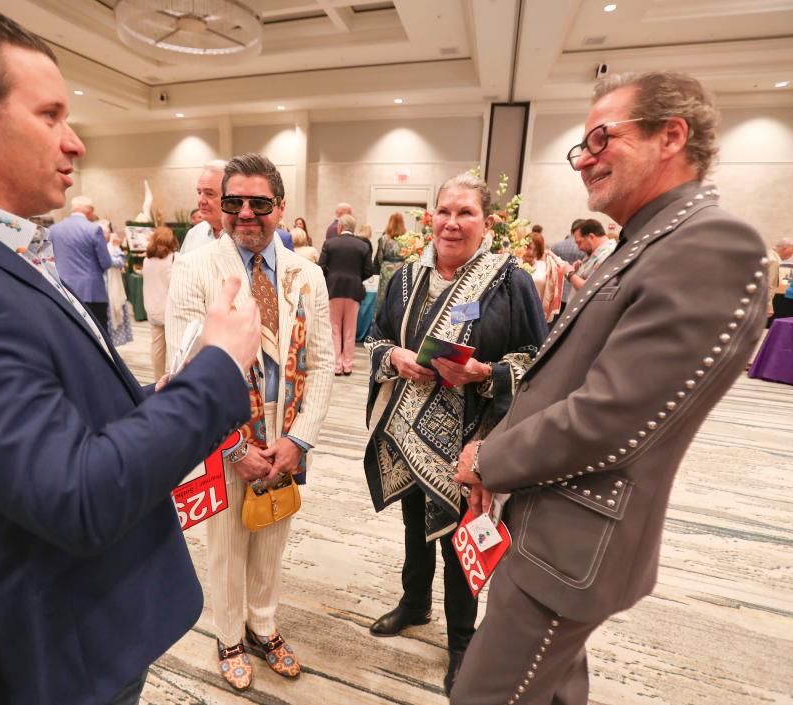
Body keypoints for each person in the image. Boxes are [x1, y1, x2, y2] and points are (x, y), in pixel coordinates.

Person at [0, 5, 261, 704]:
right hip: (62, 641)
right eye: (51, 115)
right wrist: (218, 365)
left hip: (100, 610)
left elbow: (77, 411)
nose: (73, 143)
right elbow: (77, 493)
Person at [451, 71, 768, 705]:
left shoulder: (711, 242)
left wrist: (489, 457)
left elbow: (612, 417)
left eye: (601, 137)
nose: (584, 159)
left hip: (573, 542)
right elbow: (560, 378)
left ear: (670, 136)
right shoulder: (644, 243)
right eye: (581, 145)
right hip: (548, 523)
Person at [364, 172, 547, 696]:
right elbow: (375, 339)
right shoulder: (402, 278)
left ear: (486, 223)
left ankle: (464, 642)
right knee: (412, 527)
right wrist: (394, 357)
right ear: (430, 217)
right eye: (444, 211)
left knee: (459, 540)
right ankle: (415, 603)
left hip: (473, 437)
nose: (451, 223)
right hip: (403, 431)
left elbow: (536, 359)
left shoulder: (510, 281)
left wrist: (486, 374)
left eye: (465, 213)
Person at [166, 153, 333, 693]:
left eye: (258, 203)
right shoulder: (198, 268)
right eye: (232, 202)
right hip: (226, 442)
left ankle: (263, 625)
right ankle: (229, 635)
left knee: (272, 538)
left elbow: (323, 362)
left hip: (285, 440)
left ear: (280, 208)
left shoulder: (308, 274)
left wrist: (298, 438)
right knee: (227, 543)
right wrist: (235, 447)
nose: (244, 213)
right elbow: (183, 365)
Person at [318, 213, 373, 375]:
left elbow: (320, 266)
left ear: (339, 227)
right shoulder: (363, 246)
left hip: (333, 289)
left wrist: (331, 277)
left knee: (334, 328)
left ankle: (336, 364)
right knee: (350, 329)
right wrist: (356, 278)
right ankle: (347, 365)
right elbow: (369, 270)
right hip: (354, 290)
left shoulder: (330, 243)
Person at [49, 194, 114, 331]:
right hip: (91, 292)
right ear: (90, 210)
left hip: (63, 290)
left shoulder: (54, 230)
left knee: (68, 332)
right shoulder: (94, 229)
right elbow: (106, 262)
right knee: (97, 334)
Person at [143, 225, 179, 378]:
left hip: (152, 308)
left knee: (157, 348)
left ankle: (157, 380)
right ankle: (177, 379)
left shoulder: (147, 259)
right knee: (177, 348)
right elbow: (177, 284)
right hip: (171, 310)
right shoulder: (175, 258)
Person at [179, 160, 226, 254]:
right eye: (199, 193)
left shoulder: (244, 238)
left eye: (209, 194)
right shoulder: (193, 235)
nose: (201, 201)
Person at [559, 218, 615, 292]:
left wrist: (569, 273)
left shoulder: (607, 254)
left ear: (591, 237)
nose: (579, 248)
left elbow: (588, 289)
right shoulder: (596, 252)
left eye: (579, 242)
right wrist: (578, 270)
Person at [522, 231, 565, 322]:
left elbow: (562, 267)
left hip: (536, 314)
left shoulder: (544, 267)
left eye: (535, 249)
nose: (530, 252)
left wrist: (551, 255)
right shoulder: (514, 263)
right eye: (528, 247)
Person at [374, 211, 408, 311]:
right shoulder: (406, 239)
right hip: (401, 269)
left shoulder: (383, 239)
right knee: (399, 295)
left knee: (383, 296)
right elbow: (409, 257)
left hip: (386, 269)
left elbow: (380, 258)